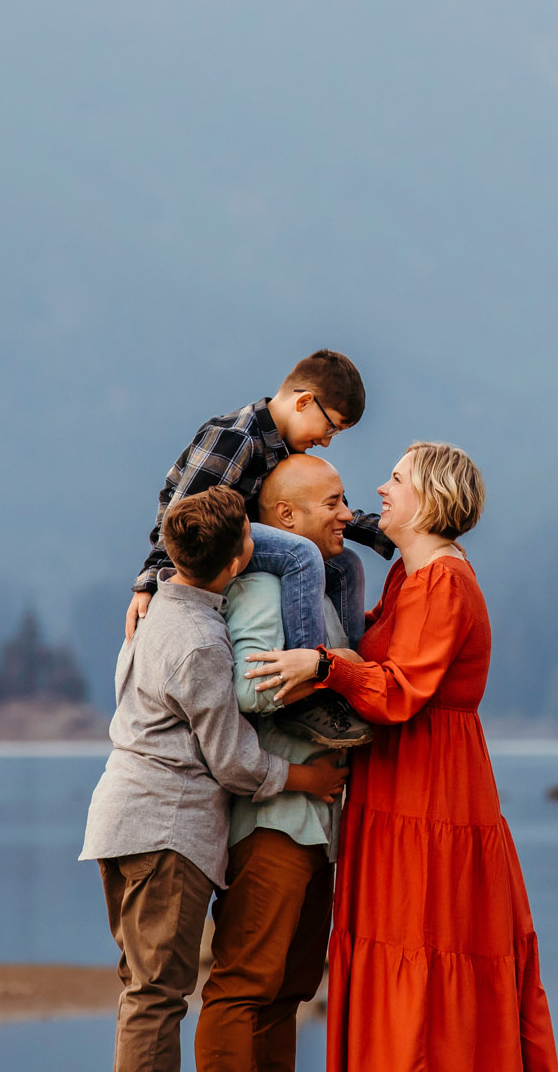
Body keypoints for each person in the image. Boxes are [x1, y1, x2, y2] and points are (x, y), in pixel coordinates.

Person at [244, 442, 558, 1072]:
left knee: (423, 937)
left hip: (431, 784)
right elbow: (379, 658)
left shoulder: (444, 579)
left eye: (396, 479)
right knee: (398, 939)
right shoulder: (409, 574)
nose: (382, 490)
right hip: (398, 780)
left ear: (430, 500)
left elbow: (398, 690)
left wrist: (326, 664)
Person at [80, 487, 293, 1072]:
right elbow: (233, 760)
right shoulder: (201, 642)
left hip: (118, 820)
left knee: (141, 985)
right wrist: (302, 776)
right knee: (157, 996)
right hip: (166, 831)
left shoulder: (151, 612)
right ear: (235, 563)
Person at [197, 454, 365, 1072]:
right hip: (271, 823)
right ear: (286, 516)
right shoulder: (266, 588)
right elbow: (246, 689)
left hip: (316, 827)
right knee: (244, 985)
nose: (346, 514)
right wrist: (322, 684)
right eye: (332, 503)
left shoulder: (318, 588)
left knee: (289, 990)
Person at [126, 349, 385, 748]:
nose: (327, 442)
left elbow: (330, 511)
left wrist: (394, 531)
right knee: (303, 554)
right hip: (222, 539)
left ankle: (348, 680)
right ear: (303, 402)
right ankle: (309, 690)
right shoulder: (236, 436)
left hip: (254, 538)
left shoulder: (291, 448)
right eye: (330, 428)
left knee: (346, 565)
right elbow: (182, 513)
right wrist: (151, 577)